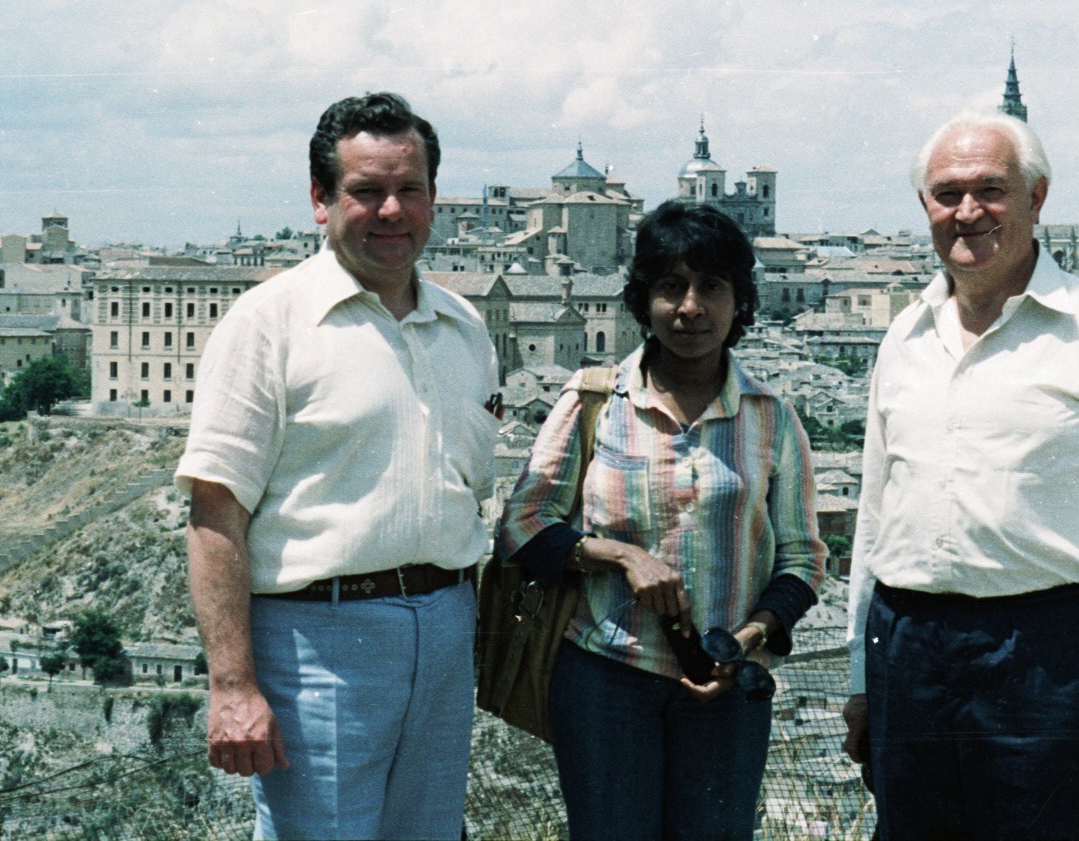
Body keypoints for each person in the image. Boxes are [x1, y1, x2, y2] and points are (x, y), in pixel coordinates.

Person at [842, 111, 1079, 840]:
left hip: (1049, 655)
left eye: (990, 190)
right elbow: (874, 516)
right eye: (946, 194)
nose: (967, 212)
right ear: (925, 209)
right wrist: (859, 678)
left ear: (1037, 198)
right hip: (908, 648)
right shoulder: (902, 337)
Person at [178, 93, 499, 840]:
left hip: (445, 631)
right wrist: (232, 685)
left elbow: (467, 493)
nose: (392, 210)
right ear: (320, 200)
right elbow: (215, 514)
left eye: (409, 189)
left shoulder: (464, 325)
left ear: (433, 199)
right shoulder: (268, 324)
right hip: (318, 643)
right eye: (365, 191)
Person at [499, 200, 826, 841]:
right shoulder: (593, 400)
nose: (690, 308)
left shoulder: (771, 418)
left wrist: (749, 641)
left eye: (712, 288)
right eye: (671, 287)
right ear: (643, 299)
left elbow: (802, 558)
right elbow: (522, 524)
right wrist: (617, 556)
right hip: (605, 681)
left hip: (725, 691)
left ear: (739, 303)